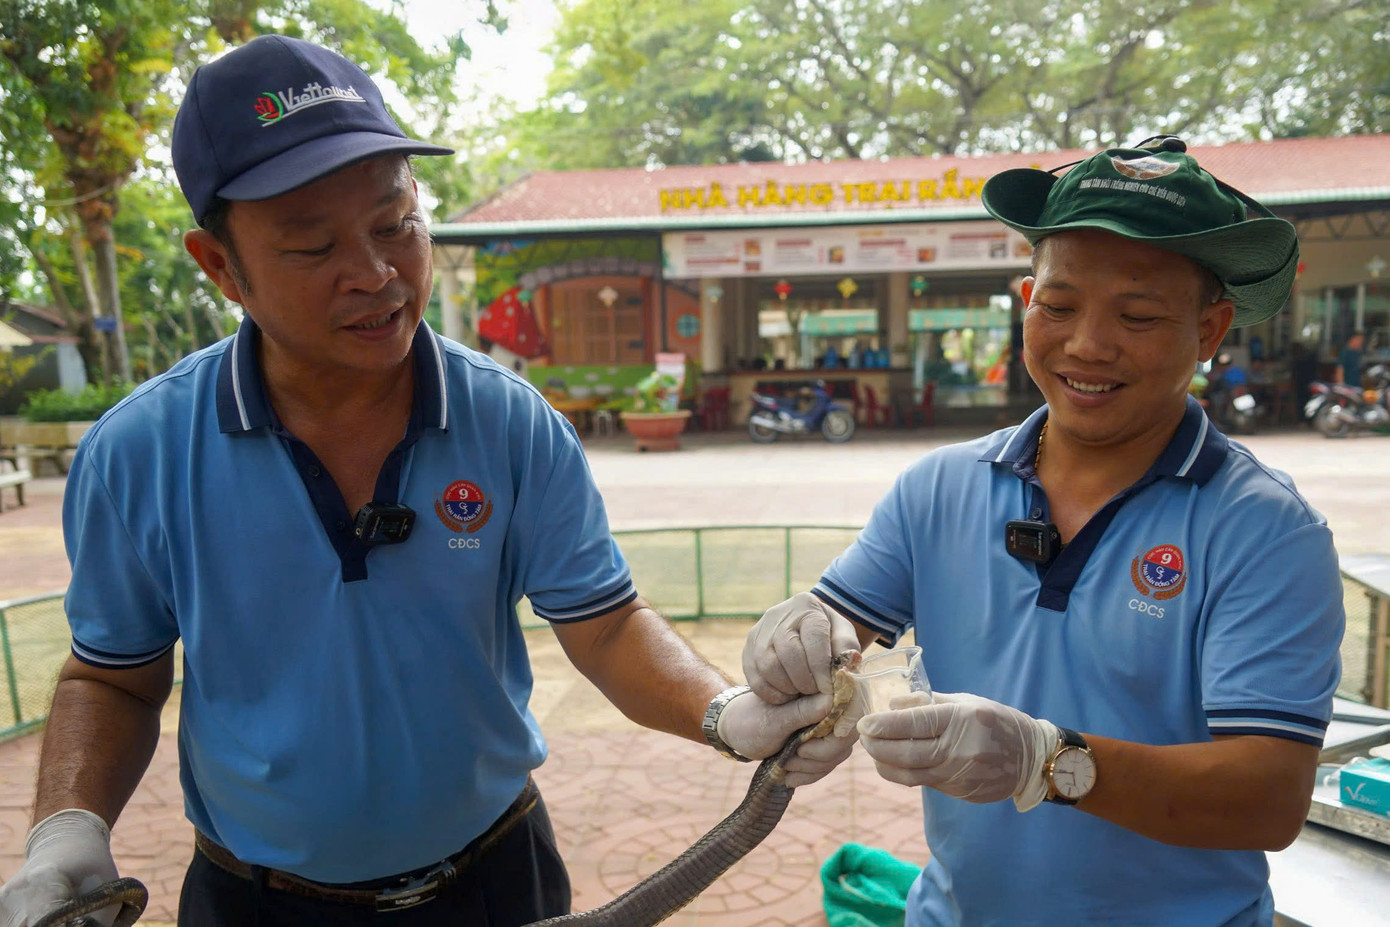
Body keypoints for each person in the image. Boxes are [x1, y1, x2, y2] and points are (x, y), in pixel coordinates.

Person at [0, 36, 850, 927]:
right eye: (312, 245)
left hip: (496, 879)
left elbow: (604, 627)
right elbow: (113, 675)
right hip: (258, 901)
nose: (373, 275)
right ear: (221, 267)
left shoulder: (512, 422)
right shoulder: (140, 452)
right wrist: (66, 828)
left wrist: (724, 712)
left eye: (393, 223)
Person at [741, 137, 1344, 926]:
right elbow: (835, 627)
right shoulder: (938, 489)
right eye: (1057, 306)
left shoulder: (1266, 532)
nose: (1087, 344)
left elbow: (1267, 797)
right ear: (1026, 298)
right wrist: (795, 647)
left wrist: (1047, 760)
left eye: (1137, 315)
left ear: (1210, 329)